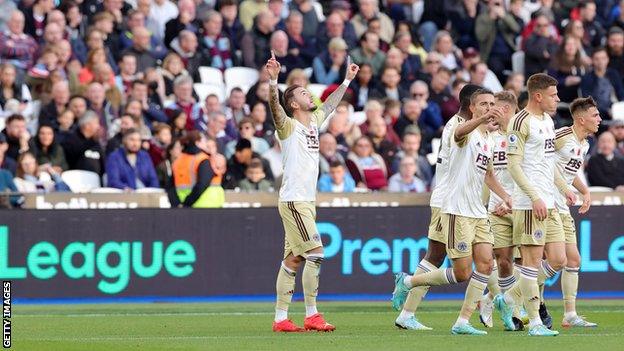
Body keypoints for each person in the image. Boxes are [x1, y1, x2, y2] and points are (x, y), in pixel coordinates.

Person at [392, 89, 511, 335]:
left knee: (480, 262)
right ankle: (407, 293)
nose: (490, 108)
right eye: (484, 104)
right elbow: (459, 134)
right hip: (449, 202)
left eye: (492, 104)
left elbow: (487, 173)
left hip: (471, 206)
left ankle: (445, 318)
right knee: (449, 264)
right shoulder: (456, 126)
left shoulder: (486, 134)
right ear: (470, 105)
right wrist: (484, 119)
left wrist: (507, 196)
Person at [266, 50, 358, 332]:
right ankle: (312, 314)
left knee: (293, 259)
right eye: (304, 93)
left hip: (306, 201)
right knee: (316, 253)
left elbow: (328, 107)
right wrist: (273, 82)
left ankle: (281, 319)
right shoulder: (289, 126)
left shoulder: (313, 125)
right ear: (294, 103)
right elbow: (274, 109)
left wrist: (346, 81)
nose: (310, 95)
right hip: (294, 200)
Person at [495, 74, 573, 336]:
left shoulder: (548, 121)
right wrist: (534, 196)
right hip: (530, 204)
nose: (558, 99)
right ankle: (535, 323)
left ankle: (506, 300)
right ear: (538, 95)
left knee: (559, 259)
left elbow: (548, 162)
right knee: (529, 263)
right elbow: (513, 166)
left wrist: (565, 189)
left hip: (549, 201)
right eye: (554, 95)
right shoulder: (520, 122)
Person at [552, 97, 600, 327]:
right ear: (581, 119)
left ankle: (570, 314)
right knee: (553, 260)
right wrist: (564, 189)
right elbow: (542, 163)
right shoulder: (561, 137)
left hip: (561, 204)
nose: (599, 120)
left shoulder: (585, 144)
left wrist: (584, 191)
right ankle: (506, 297)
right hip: (545, 202)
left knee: (573, 259)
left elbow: (570, 171)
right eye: (595, 115)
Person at [172, 130, 224, 208]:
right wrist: (187, 203)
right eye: (204, 141)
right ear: (197, 142)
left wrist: (178, 204)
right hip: (208, 204)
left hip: (182, 205)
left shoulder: (178, 161)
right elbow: (202, 184)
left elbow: (170, 186)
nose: (206, 144)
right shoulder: (203, 159)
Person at [61, 111, 105, 176]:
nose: (98, 126)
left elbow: (102, 162)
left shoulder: (95, 141)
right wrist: (92, 141)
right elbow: (72, 156)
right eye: (96, 123)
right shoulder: (71, 139)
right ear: (87, 125)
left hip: (96, 180)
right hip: (76, 178)